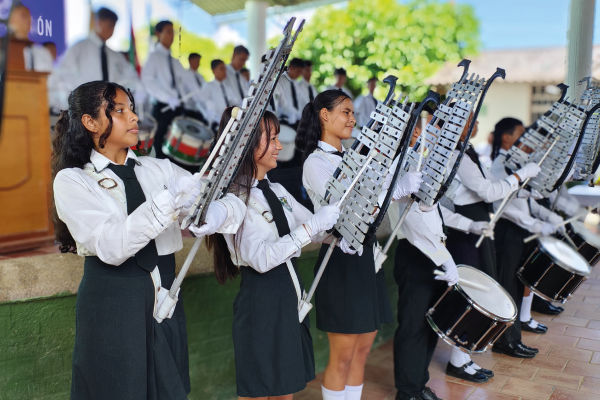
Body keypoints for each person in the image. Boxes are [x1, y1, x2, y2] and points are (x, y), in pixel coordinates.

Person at [51, 81, 246, 399]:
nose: (133, 117)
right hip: (114, 300)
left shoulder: (160, 169)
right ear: (90, 121)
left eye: (133, 109)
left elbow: (225, 198)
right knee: (116, 388)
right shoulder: (73, 180)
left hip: (166, 294)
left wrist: (215, 214)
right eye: (120, 110)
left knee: (169, 389)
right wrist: (168, 202)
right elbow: (112, 246)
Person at [207, 107, 347, 399]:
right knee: (260, 389)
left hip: (289, 293)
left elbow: (317, 228)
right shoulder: (234, 200)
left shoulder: (278, 190)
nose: (280, 146)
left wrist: (342, 220)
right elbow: (261, 258)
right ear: (246, 143)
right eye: (271, 139)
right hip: (262, 300)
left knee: (286, 388)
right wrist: (311, 229)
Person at [296, 90, 421, 400]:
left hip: (365, 257)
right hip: (339, 261)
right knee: (343, 354)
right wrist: (393, 191)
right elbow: (345, 211)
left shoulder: (353, 155)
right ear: (324, 115)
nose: (353, 118)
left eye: (353, 112)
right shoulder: (316, 162)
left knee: (364, 347)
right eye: (345, 112)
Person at [442, 111, 542, 381]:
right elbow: (487, 191)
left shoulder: (469, 152)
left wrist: (521, 187)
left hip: (478, 223)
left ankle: (464, 356)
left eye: (475, 119)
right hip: (466, 227)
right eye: (468, 120)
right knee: (470, 294)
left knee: (480, 292)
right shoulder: (455, 155)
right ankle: (458, 359)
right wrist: (520, 176)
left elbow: (489, 189)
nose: (474, 124)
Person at [489, 117, 563, 358]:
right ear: (506, 137)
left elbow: (526, 199)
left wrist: (545, 217)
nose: (526, 139)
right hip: (506, 231)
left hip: (519, 231)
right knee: (508, 286)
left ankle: (514, 336)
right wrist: (535, 223)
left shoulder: (516, 163)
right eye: (521, 134)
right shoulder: (499, 165)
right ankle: (504, 340)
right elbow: (505, 206)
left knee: (519, 283)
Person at [48, 7, 144, 112]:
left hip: (109, 108)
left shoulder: (115, 55)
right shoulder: (80, 47)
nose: (112, 30)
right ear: (98, 23)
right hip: (85, 107)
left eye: (114, 27)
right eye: (109, 26)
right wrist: (84, 95)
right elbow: (64, 73)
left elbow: (131, 77)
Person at [141, 20, 207, 165]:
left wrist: (204, 102)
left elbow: (187, 85)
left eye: (173, 32)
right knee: (160, 148)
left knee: (176, 151)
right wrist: (167, 97)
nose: (172, 35)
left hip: (177, 108)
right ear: (159, 34)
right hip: (162, 108)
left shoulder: (176, 62)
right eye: (169, 31)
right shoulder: (154, 57)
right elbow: (147, 81)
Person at [8, 4, 53, 72]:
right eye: (23, 16)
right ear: (11, 21)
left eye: (29, 16)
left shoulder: (43, 52)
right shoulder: (4, 50)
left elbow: (51, 78)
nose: (28, 20)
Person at [203, 59, 238, 132]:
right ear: (213, 70)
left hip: (230, 121)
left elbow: (235, 101)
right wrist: (213, 119)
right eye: (221, 68)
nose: (224, 71)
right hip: (216, 124)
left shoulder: (227, 87)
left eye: (225, 68)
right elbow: (204, 105)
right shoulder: (208, 86)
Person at [277, 58, 305, 129]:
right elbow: (281, 104)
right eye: (298, 71)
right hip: (284, 120)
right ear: (291, 68)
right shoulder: (280, 81)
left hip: (298, 120)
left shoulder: (296, 84)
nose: (299, 74)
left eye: (301, 72)